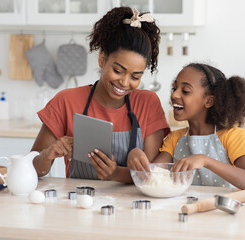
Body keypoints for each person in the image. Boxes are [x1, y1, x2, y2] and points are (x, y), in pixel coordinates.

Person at [31, 7, 170, 183]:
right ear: (102, 59)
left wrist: (116, 173)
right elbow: (32, 169)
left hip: (134, 207)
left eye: (135, 76)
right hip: (80, 203)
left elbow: (153, 175)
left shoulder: (147, 103)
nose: (125, 82)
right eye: (118, 71)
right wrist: (48, 154)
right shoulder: (66, 101)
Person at [128, 63, 245, 190]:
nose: (174, 95)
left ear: (208, 101)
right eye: (174, 89)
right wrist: (136, 155)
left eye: (185, 91)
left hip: (219, 209)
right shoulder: (174, 138)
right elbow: (152, 176)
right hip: (183, 209)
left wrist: (205, 161)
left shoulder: (233, 136)